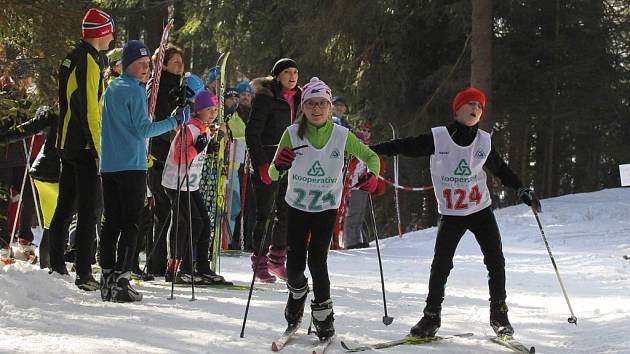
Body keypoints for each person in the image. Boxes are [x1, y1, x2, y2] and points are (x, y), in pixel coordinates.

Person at [370, 87, 542, 338]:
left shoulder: (484, 141)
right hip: (452, 214)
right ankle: (431, 317)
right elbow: (407, 145)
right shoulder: (439, 137)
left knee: (496, 260)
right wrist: (373, 150)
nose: (475, 109)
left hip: (480, 210)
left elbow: (501, 170)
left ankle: (499, 315)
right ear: (457, 109)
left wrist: (521, 189)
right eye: (470, 103)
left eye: (480, 106)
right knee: (441, 264)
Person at [269, 77, 380, 339]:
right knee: (294, 267)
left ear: (330, 108)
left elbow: (371, 156)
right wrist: (280, 165)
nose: (317, 109)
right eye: (311, 104)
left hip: (326, 208)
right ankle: (297, 297)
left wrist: (372, 176)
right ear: (303, 108)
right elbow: (272, 173)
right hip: (296, 206)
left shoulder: (342, 135)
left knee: (318, 261)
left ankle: (323, 316)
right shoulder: (292, 134)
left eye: (322, 104)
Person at [98, 40, 180, 302]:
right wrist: (175, 120)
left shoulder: (111, 88)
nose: (146, 69)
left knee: (112, 222)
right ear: (127, 64)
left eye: (148, 65)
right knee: (131, 223)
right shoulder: (134, 91)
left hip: (110, 165)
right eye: (141, 64)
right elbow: (144, 130)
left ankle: (108, 275)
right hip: (131, 165)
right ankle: (122, 278)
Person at [48, 8, 114, 291]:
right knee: (89, 209)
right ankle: (84, 272)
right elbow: (89, 108)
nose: (113, 35)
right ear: (101, 34)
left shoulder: (77, 55)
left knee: (65, 205)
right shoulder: (88, 59)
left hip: (67, 142)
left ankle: (55, 265)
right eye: (110, 30)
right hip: (84, 145)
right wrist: (99, 149)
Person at [162, 90, 228, 284]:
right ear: (198, 110)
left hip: (191, 184)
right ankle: (182, 268)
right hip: (177, 183)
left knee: (204, 224)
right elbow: (180, 157)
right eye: (209, 109)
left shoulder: (204, 129)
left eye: (215, 109)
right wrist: (198, 148)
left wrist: (207, 151)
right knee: (189, 224)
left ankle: (202, 267)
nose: (213, 113)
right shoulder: (189, 128)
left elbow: (197, 153)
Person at [245, 58, 301, 282]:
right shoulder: (265, 98)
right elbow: (252, 133)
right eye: (287, 72)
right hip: (267, 161)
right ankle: (259, 263)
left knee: (286, 212)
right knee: (265, 214)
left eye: (295, 72)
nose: (292, 76)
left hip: (290, 161)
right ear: (277, 76)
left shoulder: (300, 99)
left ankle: (277, 260)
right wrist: (261, 164)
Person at [146, 45, 185, 277]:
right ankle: (156, 262)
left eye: (181, 61)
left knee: (172, 211)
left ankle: (167, 261)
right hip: (160, 155)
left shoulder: (178, 87)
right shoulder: (158, 87)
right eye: (176, 61)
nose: (180, 65)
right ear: (164, 65)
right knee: (163, 211)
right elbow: (159, 121)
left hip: (174, 154)